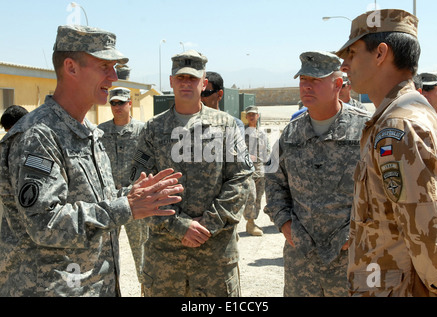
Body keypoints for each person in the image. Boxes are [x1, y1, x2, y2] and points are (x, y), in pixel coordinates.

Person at [0, 25, 184, 297]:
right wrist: (126, 207)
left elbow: (93, 200)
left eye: (115, 67)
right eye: (105, 67)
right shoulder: (38, 135)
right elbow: (45, 223)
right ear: (71, 68)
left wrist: (132, 195)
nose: (114, 77)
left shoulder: (89, 133)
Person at [338, 9, 437, 296]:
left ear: (380, 54)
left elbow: (431, 245)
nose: (344, 64)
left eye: (352, 53)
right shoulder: (409, 114)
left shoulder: (399, 126)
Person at [130, 50, 253, 297]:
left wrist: (208, 224)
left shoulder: (226, 125)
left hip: (215, 256)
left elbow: (241, 178)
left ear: (203, 83)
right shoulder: (153, 130)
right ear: (171, 81)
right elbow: (141, 187)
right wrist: (179, 226)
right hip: (166, 258)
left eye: (193, 79)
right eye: (181, 78)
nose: (186, 83)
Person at [264, 51, 371, 297]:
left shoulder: (366, 128)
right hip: (302, 258)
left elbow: (382, 191)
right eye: (303, 80)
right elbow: (273, 181)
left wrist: (357, 232)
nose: (306, 86)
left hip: (352, 255)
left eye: (315, 80)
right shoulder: (291, 133)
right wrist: (285, 224)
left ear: (338, 84)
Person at [98, 87, 146, 289]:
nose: (117, 107)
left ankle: (146, 290)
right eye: (113, 103)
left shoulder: (143, 131)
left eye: (121, 103)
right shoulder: (100, 132)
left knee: (142, 250)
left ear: (130, 104)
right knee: (106, 253)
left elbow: (150, 161)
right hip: (110, 201)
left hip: (136, 199)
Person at [243, 106, 270, 236]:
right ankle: (248, 222)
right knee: (249, 197)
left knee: (258, 198)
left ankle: (252, 222)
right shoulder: (241, 133)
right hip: (247, 172)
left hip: (260, 171)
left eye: (254, 114)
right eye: (249, 115)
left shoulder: (262, 134)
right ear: (246, 117)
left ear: (258, 116)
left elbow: (267, 151)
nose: (252, 116)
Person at [202, 71, 245, 136]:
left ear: (219, 94)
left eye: (205, 93)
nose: (201, 98)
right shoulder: (188, 122)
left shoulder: (233, 124)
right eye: (198, 93)